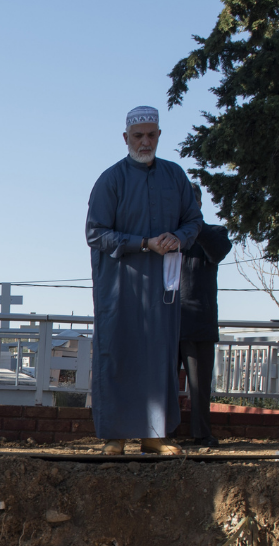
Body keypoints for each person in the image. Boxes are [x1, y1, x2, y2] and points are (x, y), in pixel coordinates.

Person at [86, 105, 203, 456]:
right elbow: (95, 233)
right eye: (138, 136)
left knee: (159, 355)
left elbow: (194, 220)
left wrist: (179, 238)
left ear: (159, 136)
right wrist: (142, 243)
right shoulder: (111, 180)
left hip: (161, 290)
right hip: (119, 288)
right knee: (118, 353)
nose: (145, 141)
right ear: (126, 138)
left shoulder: (175, 176)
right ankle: (115, 438)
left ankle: (154, 437)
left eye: (151, 135)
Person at [178, 185, 232, 448]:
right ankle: (158, 434)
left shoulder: (214, 233)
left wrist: (195, 225)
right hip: (165, 322)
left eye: (192, 201)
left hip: (199, 322)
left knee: (199, 387)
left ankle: (202, 435)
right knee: (160, 384)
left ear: (199, 204)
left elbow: (219, 250)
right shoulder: (166, 236)